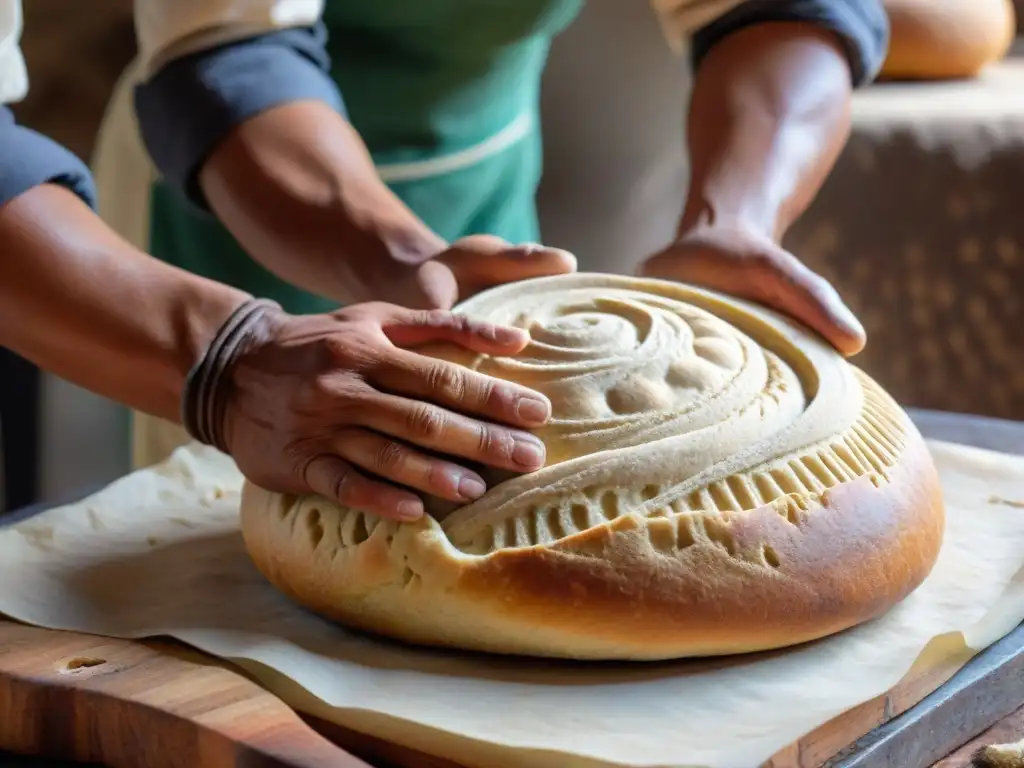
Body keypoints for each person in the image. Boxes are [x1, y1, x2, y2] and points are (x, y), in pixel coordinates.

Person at [93, 0, 885, 468]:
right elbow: (229, 48)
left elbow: (780, 9)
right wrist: (400, 256)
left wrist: (734, 219)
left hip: (481, 178)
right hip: (248, 181)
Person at [0, 0, 570, 522]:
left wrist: (412, 262)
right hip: (233, 171)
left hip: (481, 174)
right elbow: (226, 46)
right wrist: (233, 363)